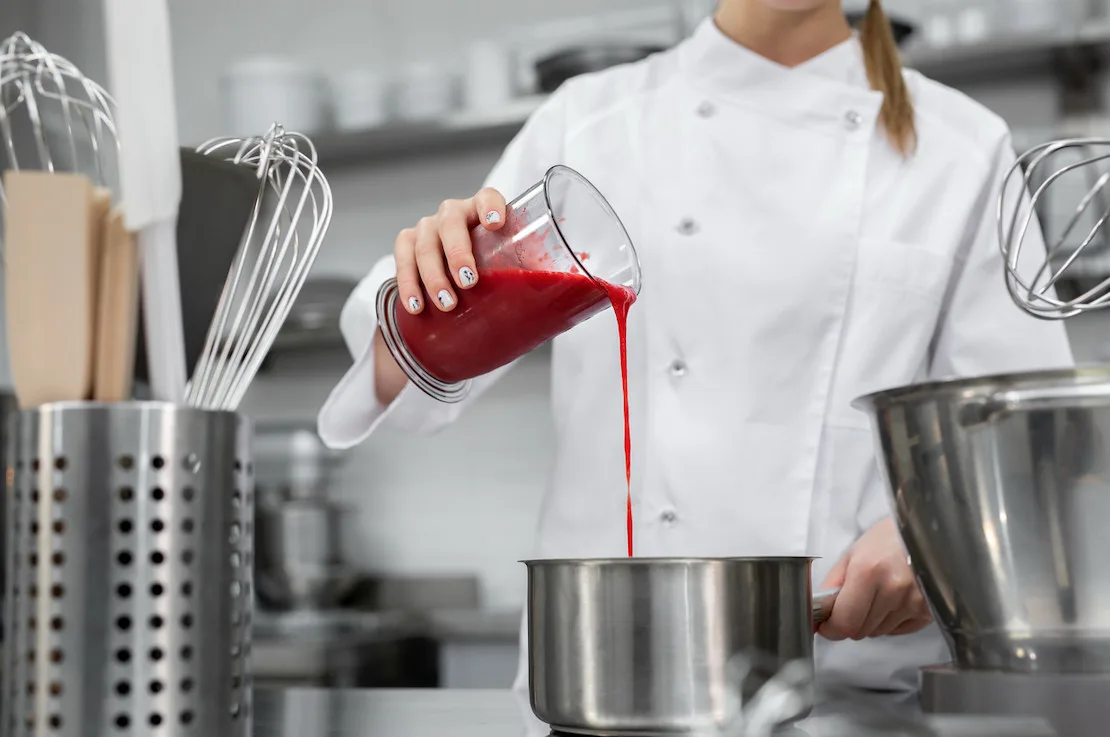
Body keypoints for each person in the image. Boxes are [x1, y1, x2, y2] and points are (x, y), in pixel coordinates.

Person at [318, 0, 1074, 694]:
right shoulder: (590, 124)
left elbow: (1022, 447)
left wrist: (932, 536)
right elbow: (412, 380)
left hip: (846, 691)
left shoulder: (964, 149)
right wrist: (427, 290)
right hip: (604, 675)